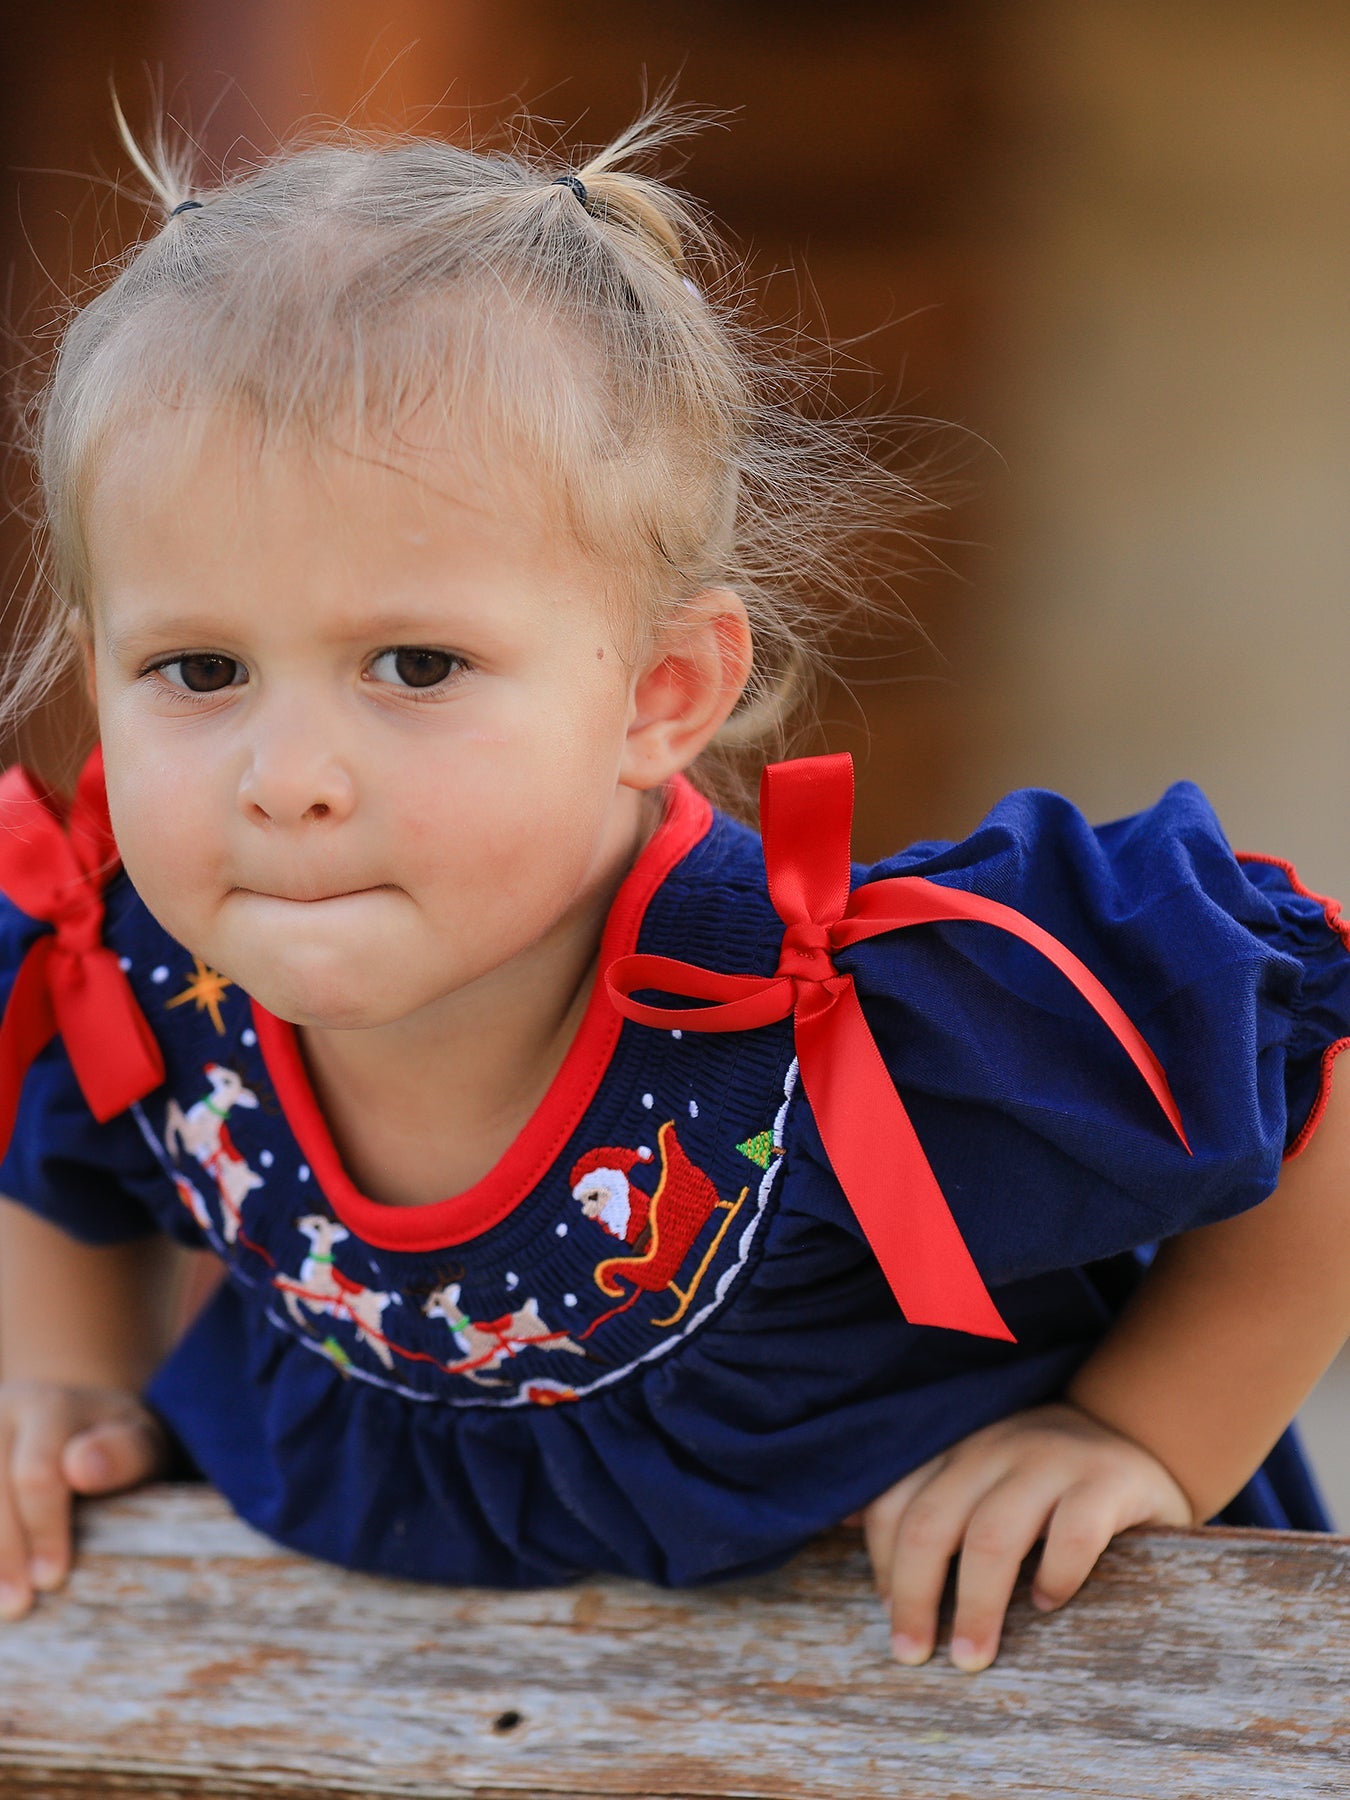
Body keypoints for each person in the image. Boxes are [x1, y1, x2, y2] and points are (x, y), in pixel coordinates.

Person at [0, 101, 1347, 1678]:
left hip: (966, 1719)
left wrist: (1141, 1436)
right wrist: (66, 1377)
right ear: (98, 682)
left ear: (658, 691)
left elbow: (1310, 1055)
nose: (285, 773)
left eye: (415, 664)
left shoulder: (856, 1034)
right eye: (198, 669)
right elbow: (56, 1113)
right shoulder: (133, 973)